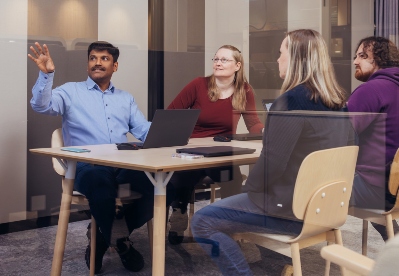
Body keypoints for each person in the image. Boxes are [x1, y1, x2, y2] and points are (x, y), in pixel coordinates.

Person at [190, 29, 354, 275]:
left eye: (281, 53)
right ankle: (278, 267)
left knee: (203, 221)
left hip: (290, 211)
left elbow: (272, 166)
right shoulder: (338, 103)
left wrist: (249, 189)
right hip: (326, 208)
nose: (277, 59)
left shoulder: (289, 102)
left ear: (296, 59)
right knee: (247, 200)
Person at [29, 41, 173, 273]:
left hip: (123, 163)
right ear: (88, 63)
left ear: (114, 66)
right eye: (93, 58)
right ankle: (120, 242)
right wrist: (46, 75)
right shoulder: (69, 91)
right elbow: (41, 105)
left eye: (104, 59)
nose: (97, 62)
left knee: (164, 184)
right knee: (100, 185)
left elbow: (143, 130)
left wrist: (169, 132)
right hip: (87, 166)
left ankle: (107, 234)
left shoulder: (125, 98)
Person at [166, 45, 264, 244]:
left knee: (233, 177)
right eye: (216, 59)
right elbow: (172, 113)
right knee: (182, 175)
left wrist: (265, 132)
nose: (218, 63)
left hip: (223, 151)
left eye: (224, 60)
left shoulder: (244, 90)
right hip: (194, 147)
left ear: (237, 65)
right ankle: (179, 212)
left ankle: (228, 220)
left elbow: (253, 122)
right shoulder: (198, 85)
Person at [347, 36, 399, 239]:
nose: (355, 62)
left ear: (379, 58)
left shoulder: (371, 90)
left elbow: (339, 136)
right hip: (393, 186)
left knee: (298, 185)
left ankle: (277, 256)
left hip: (375, 188)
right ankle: (393, 238)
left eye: (362, 56)